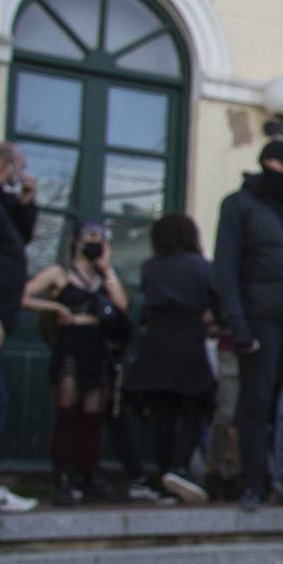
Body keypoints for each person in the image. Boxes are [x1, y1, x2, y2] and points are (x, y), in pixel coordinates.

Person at [213, 141, 283, 509]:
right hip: (259, 319)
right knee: (257, 404)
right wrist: (237, 323)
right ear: (264, 166)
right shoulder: (238, 206)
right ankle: (253, 483)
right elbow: (225, 268)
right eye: (279, 169)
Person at [21, 220, 129, 503]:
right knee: (67, 410)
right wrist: (54, 305)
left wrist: (106, 269)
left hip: (96, 345)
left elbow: (122, 305)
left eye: (101, 236)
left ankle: (88, 472)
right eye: (90, 235)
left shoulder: (104, 275)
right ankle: (63, 475)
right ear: (76, 239)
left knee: (91, 415)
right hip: (70, 342)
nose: (96, 240)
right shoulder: (60, 272)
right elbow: (23, 296)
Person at [122, 214, 219, 504]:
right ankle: (178, 467)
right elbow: (217, 303)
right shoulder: (202, 267)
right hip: (188, 341)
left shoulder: (150, 267)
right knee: (194, 407)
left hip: (156, 344)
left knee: (162, 415)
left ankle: (164, 474)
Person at [0, 142, 39, 515]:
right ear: (6, 165)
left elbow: (15, 242)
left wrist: (27, 204)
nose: (23, 173)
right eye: (21, 165)